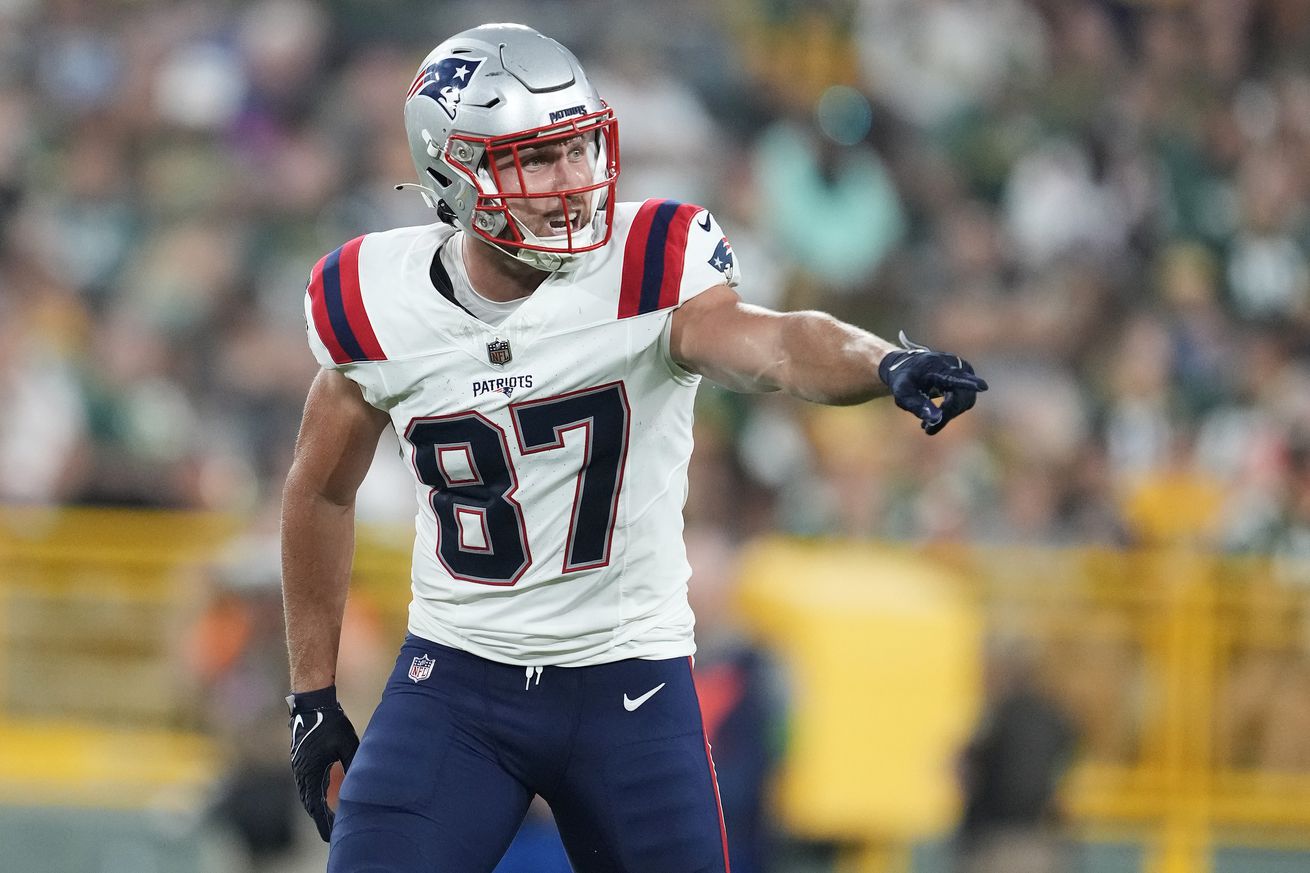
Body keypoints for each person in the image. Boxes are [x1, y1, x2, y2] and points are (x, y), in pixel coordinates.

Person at [280, 22, 987, 873]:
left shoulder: (648, 262)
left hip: (629, 685)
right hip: (457, 683)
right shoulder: (375, 299)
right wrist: (312, 692)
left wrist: (884, 359)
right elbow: (320, 491)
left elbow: (776, 346)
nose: (574, 183)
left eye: (580, 149)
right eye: (536, 160)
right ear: (453, 173)